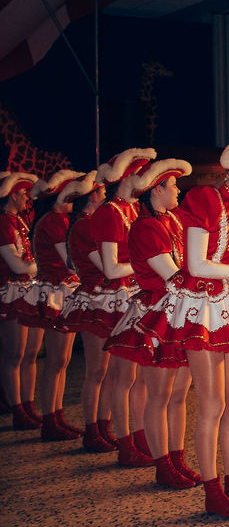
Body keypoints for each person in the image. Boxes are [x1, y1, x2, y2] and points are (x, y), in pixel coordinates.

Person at [146, 139, 229, 518]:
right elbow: (196, 265)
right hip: (202, 306)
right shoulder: (204, 199)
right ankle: (212, 491)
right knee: (212, 403)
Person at [104, 159, 195, 492]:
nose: (178, 191)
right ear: (157, 189)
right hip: (158, 314)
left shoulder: (171, 219)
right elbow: (173, 275)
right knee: (159, 394)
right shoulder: (145, 227)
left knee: (179, 395)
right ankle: (163, 465)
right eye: (173, 186)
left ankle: (177, 459)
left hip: (179, 311)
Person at [90, 148, 157, 468]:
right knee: (122, 376)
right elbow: (111, 268)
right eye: (141, 174)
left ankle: (140, 437)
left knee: (141, 375)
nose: (146, 180)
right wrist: (148, 264)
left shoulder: (136, 210)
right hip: (119, 299)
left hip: (138, 296)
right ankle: (125, 443)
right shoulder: (109, 213)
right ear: (126, 177)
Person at [25, 170, 87, 441]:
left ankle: (56, 416)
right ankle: (50, 419)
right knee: (56, 360)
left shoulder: (60, 219)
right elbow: (70, 263)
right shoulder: (54, 220)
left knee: (62, 360)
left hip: (62, 291)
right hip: (55, 293)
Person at [59, 174, 113, 451]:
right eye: (102, 192)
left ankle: (103, 427)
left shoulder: (90, 223)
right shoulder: (84, 226)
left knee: (105, 370)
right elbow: (105, 265)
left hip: (104, 296)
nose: (105, 196)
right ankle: (92, 431)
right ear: (92, 195)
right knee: (96, 370)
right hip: (94, 298)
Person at [0, 170, 41, 429]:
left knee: (30, 354)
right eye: (24, 193)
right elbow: (16, 265)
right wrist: (40, 265)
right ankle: (16, 409)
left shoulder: (19, 221)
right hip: (11, 292)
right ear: (12, 194)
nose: (28, 198)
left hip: (28, 292)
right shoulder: (3, 222)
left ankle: (28, 406)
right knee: (14, 354)